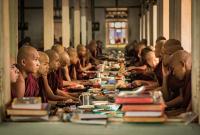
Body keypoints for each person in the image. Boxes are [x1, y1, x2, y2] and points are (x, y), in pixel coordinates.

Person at [166, 50, 192, 115]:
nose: (173, 73)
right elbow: (182, 98)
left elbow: (188, 111)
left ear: (182, 64)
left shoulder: (196, 79)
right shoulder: (187, 77)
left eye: (173, 68)